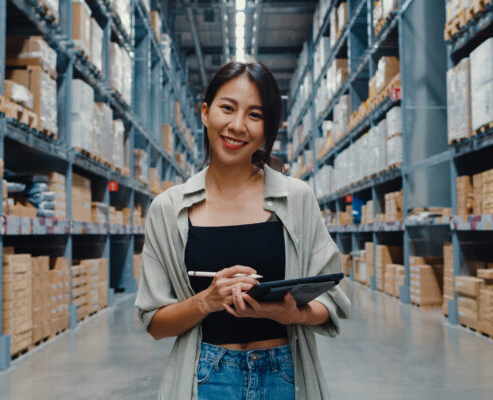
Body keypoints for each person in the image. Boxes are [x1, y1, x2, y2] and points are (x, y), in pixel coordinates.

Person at [135, 59, 350, 400]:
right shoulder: (169, 209)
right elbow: (155, 323)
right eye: (227, 108)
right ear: (205, 112)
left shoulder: (296, 199)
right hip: (205, 377)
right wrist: (207, 300)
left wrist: (292, 313)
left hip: (284, 374)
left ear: (267, 129)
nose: (237, 125)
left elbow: (333, 299)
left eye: (255, 114)